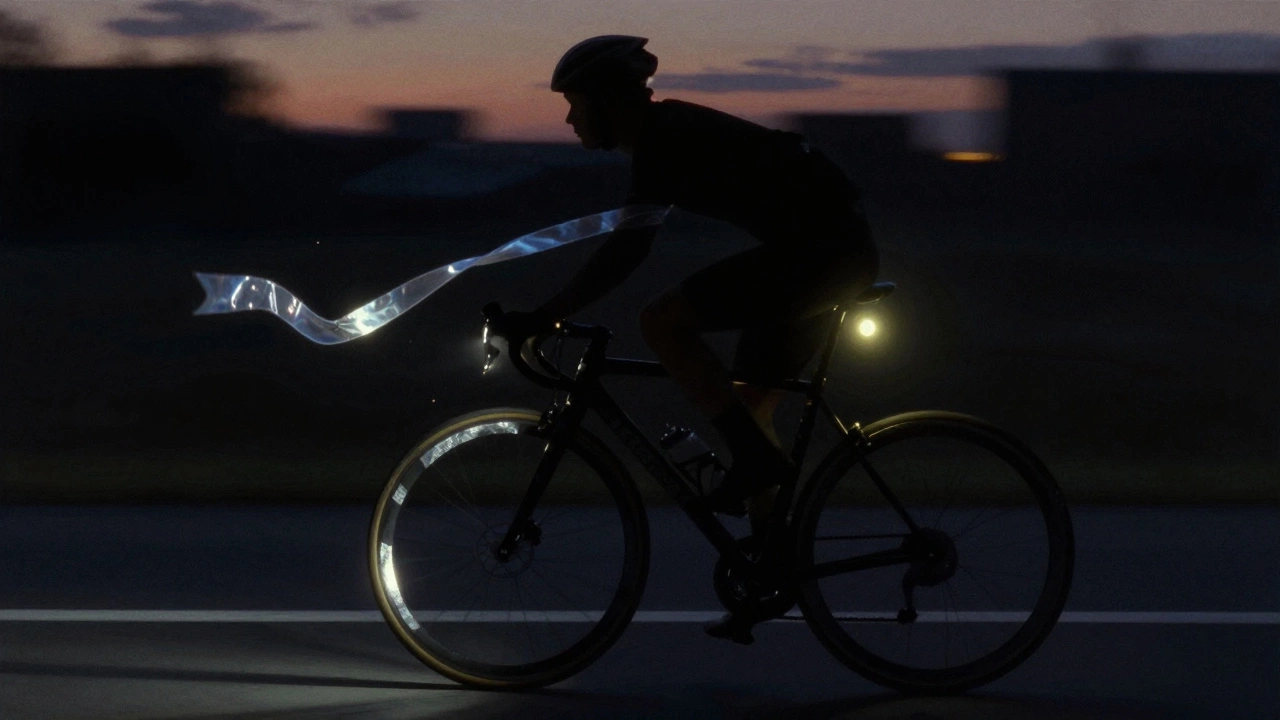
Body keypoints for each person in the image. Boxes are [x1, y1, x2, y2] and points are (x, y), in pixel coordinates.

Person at [503, 35, 879, 522]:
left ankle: (755, 464)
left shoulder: (666, 137)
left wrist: (546, 314)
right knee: (749, 410)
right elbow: (628, 243)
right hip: (828, 254)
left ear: (606, 101)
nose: (569, 120)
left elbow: (627, 249)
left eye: (575, 105)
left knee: (661, 322)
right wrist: (551, 312)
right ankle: (771, 570)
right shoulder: (668, 132)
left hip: (824, 257)